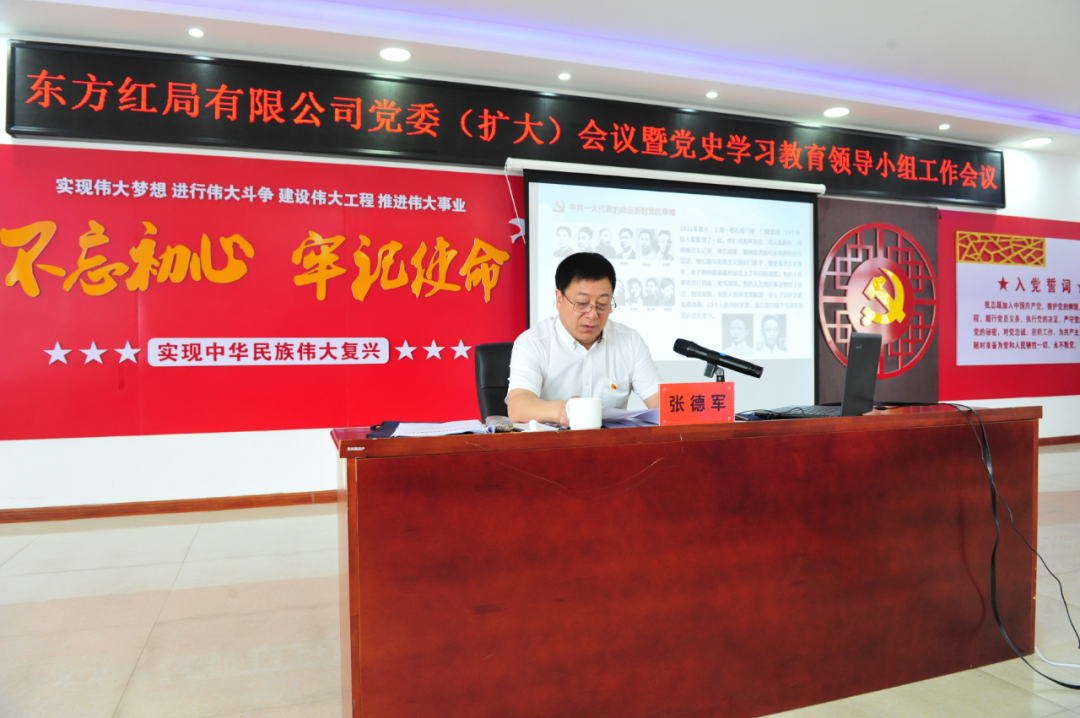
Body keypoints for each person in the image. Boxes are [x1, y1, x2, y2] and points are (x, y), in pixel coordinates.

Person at [507, 253, 661, 425]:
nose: (593, 314)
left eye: (602, 304)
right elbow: (518, 406)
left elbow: (658, 401)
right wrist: (563, 411)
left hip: (610, 441)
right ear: (559, 299)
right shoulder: (533, 343)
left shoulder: (630, 341)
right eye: (582, 303)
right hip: (551, 441)